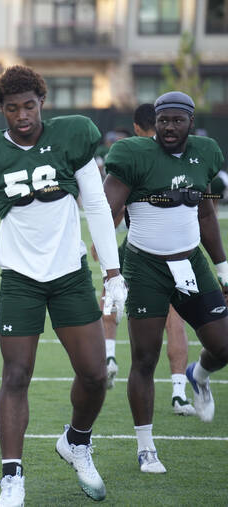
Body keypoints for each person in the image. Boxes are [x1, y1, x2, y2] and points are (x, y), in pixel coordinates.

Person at [0, 65, 126, 506]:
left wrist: (113, 271)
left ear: (42, 101)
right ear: (1, 110)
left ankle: (76, 442)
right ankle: (12, 476)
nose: (21, 115)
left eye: (28, 105)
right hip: (20, 279)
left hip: (69, 273)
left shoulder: (71, 137)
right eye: (11, 108)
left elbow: (96, 204)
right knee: (17, 374)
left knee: (96, 375)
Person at [103, 91, 228, 474]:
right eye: (163, 120)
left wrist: (222, 266)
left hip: (190, 262)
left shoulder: (204, 153)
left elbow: (205, 210)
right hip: (146, 267)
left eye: (177, 120)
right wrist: (111, 271)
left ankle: (198, 375)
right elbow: (106, 212)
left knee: (222, 345)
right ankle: (146, 446)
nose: (169, 127)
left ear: (191, 121)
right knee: (144, 358)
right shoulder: (134, 155)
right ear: (154, 122)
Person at [99, 103, 196, 416]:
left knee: (110, 290)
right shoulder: (184, 152)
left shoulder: (138, 155)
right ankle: (180, 392)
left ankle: (109, 356)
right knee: (174, 318)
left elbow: (114, 206)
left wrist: (100, 242)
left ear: (138, 128)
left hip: (142, 247)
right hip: (181, 247)